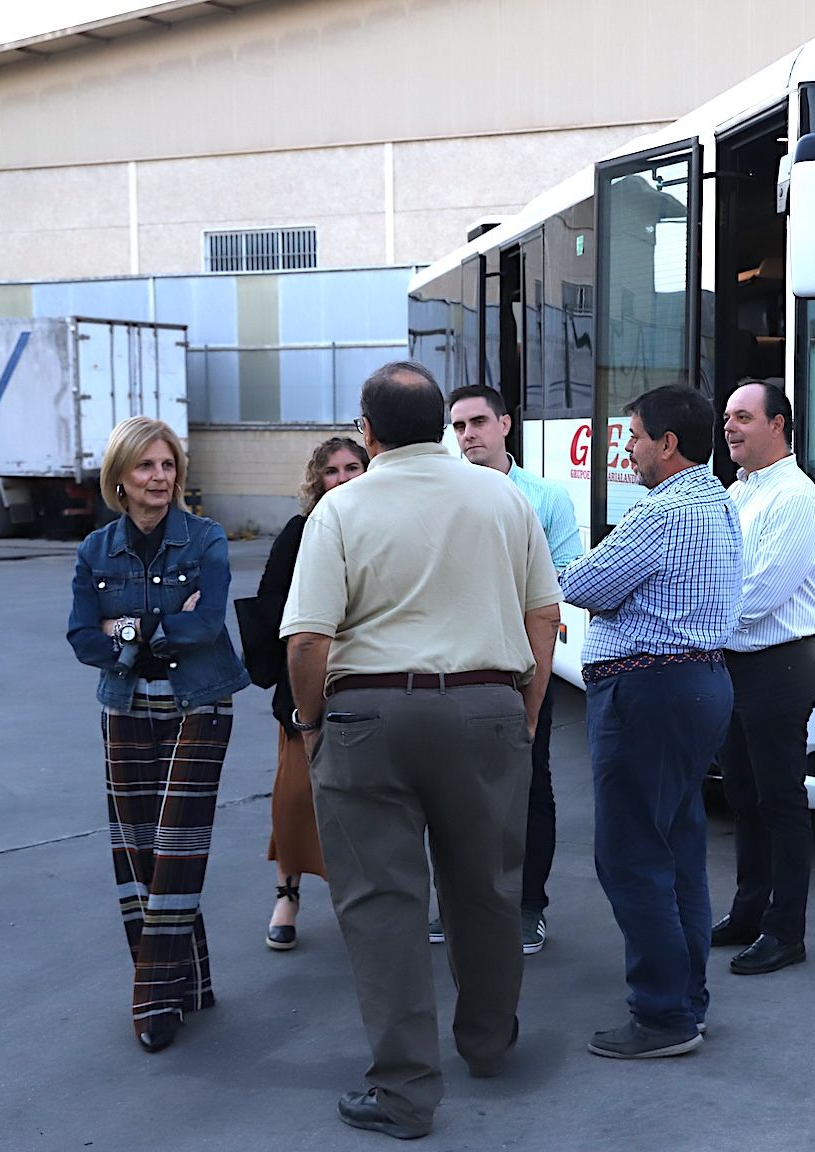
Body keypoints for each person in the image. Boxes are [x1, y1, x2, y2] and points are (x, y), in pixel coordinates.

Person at [281, 361, 561, 1139]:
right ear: (444, 423)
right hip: (485, 708)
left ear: (366, 431)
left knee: (383, 906)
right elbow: (544, 617)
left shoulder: (342, 509)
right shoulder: (504, 497)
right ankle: (488, 1041)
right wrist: (525, 714)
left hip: (367, 718)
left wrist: (312, 725)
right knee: (487, 888)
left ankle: (405, 1092)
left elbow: (308, 641)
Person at [559, 384, 741, 1059]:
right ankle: (686, 1002)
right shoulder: (718, 501)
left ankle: (663, 1015)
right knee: (677, 851)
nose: (628, 449)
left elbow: (581, 584)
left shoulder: (661, 513)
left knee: (632, 857)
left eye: (634, 436)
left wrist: (590, 579)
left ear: (667, 444)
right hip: (697, 683)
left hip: (649, 690)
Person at [66, 416, 250, 1054]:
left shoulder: (206, 538)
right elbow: (81, 635)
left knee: (176, 846)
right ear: (119, 477)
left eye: (168, 465)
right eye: (146, 466)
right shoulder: (95, 550)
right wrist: (139, 643)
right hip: (124, 704)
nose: (160, 477)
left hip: (199, 702)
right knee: (138, 850)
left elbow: (207, 625)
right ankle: (191, 979)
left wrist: (132, 634)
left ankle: (153, 997)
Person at [439, 384, 583, 956]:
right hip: (456, 663)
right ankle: (459, 901)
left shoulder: (545, 498)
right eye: (457, 426)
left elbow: (569, 571)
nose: (467, 434)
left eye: (477, 422)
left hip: (524, 662)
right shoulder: (444, 495)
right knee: (451, 789)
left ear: (505, 425)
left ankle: (529, 907)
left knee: (529, 785)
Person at [711, 380, 815, 975]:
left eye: (743, 417)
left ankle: (788, 932)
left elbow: (759, 592)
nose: (729, 427)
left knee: (780, 800)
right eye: (727, 417)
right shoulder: (740, 492)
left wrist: (694, 618)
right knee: (744, 798)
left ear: (778, 424)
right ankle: (749, 913)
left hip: (778, 665)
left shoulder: (795, 497)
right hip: (736, 664)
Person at [254, 436, 368, 951]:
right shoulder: (300, 531)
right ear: (316, 479)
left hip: (371, 686)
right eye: (332, 470)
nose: (343, 478)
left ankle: (361, 903)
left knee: (365, 807)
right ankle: (288, 895)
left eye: (352, 468)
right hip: (308, 686)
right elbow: (270, 605)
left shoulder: (383, 523)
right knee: (298, 798)